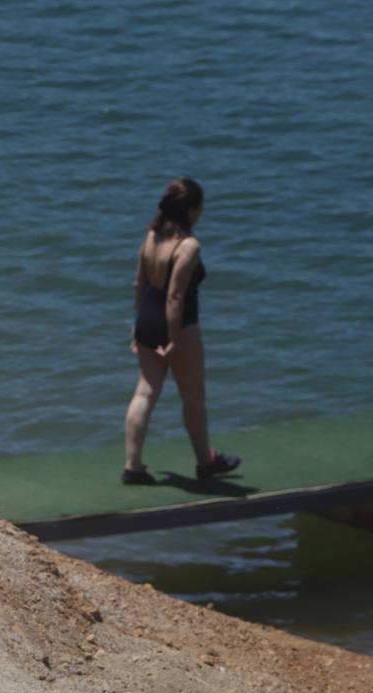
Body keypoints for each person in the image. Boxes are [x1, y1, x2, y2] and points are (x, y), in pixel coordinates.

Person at [122, 177, 241, 485]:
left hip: (146, 318)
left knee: (144, 392)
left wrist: (139, 326)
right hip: (179, 326)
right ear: (191, 210)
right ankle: (206, 462)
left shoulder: (151, 236)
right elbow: (175, 297)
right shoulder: (188, 246)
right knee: (193, 398)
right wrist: (173, 339)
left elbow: (139, 283)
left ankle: (132, 467)